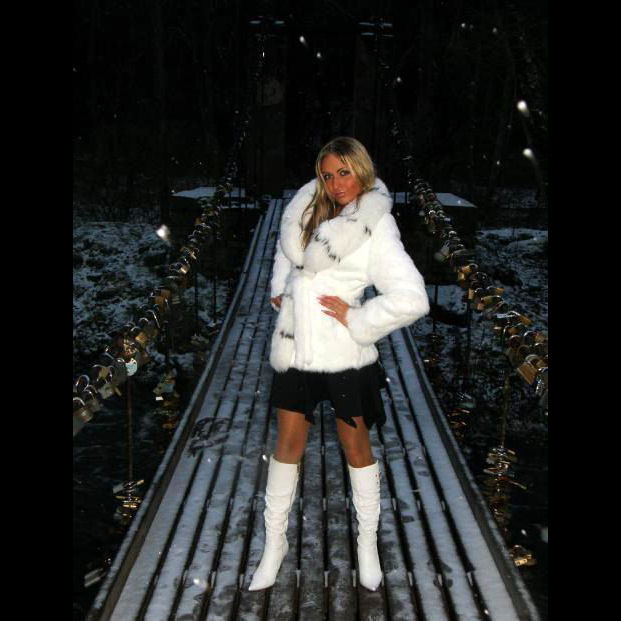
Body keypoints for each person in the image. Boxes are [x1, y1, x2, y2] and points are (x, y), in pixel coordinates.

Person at [248, 137, 430, 592]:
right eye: (328, 175)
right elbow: (287, 255)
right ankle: (274, 544)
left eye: (344, 172)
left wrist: (358, 317)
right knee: (286, 446)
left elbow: (413, 298)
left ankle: (367, 544)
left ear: (361, 170)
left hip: (346, 355)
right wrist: (280, 288)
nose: (336, 183)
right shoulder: (305, 211)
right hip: (295, 349)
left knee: (356, 448)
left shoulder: (376, 225)